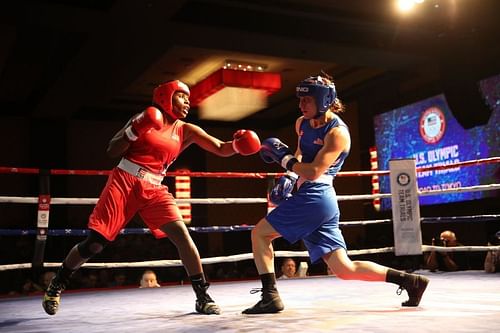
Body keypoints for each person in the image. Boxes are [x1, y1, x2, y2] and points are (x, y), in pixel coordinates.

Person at [42, 80, 261, 316]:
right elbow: (112, 151)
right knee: (95, 243)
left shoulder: (185, 130)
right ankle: (57, 284)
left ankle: (202, 296)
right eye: (182, 96)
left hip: (155, 187)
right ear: (167, 97)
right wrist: (134, 129)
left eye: (188, 98)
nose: (188, 101)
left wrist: (240, 145)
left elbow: (220, 147)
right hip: (125, 180)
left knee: (182, 236)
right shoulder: (144, 117)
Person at [242, 73, 429, 314]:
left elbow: (314, 171)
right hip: (316, 199)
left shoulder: (337, 133)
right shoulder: (302, 124)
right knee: (344, 268)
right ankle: (410, 282)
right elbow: (299, 155)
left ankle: (270, 297)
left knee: (259, 234)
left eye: (306, 100)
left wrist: (283, 159)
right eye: (300, 100)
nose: (301, 105)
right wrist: (289, 176)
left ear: (322, 101)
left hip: (316, 195)